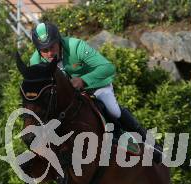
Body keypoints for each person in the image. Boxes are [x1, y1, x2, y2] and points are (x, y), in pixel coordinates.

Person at [29, 22, 162, 163]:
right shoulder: (35, 62)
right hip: (70, 96)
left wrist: (83, 80)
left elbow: (108, 68)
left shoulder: (76, 47)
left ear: (59, 41)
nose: (49, 53)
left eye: (52, 47)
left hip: (96, 85)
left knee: (114, 111)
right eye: (44, 50)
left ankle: (149, 142)